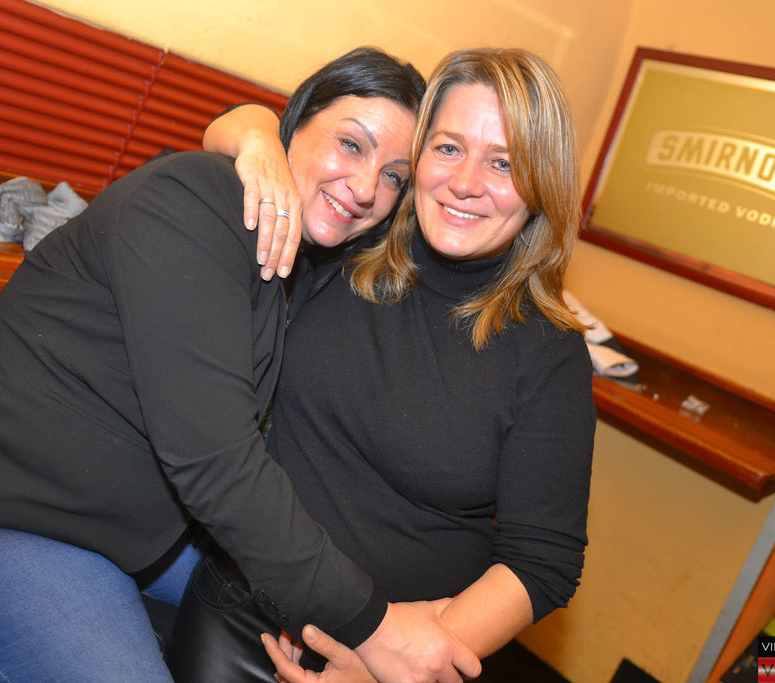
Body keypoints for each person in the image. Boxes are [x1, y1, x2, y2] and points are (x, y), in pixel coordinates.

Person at [0, 47, 482, 683]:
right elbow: (217, 463)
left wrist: (362, 633)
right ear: (294, 128)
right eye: (351, 145)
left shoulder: (312, 258)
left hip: (128, 520)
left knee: (308, 622)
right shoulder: (194, 205)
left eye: (394, 177)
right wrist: (376, 627)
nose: (366, 188)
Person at [172, 46, 596, 682]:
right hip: (250, 612)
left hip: (414, 653)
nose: (465, 183)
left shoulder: (549, 352)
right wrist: (261, 141)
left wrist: (393, 666)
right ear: (418, 156)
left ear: (542, 188)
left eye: (503, 162)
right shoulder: (349, 236)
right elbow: (232, 129)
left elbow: (542, 562)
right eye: (448, 148)